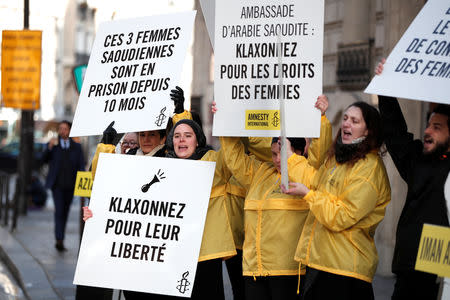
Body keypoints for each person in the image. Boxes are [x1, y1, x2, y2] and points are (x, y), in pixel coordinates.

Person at [217, 96, 331, 300]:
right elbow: (234, 158)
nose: (278, 159)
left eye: (282, 153)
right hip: (254, 270)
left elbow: (319, 154)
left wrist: (321, 118)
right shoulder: (260, 172)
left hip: (288, 273)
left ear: (299, 150)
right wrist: (224, 120)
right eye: (274, 154)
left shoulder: (308, 174)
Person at [283, 101, 391, 299]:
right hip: (323, 263)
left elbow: (343, 215)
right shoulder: (339, 159)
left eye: (355, 121)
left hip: (344, 271)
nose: (346, 124)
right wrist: (289, 157)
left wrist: (308, 195)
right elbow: (315, 181)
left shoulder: (369, 168)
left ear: (368, 131)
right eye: (345, 118)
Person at [375, 59, 450, 300]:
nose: (427, 131)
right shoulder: (418, 160)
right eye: (428, 125)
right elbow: (395, 132)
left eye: (437, 127)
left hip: (439, 265)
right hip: (409, 264)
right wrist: (385, 89)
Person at [42, 120, 85, 251]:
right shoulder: (53, 146)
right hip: (57, 186)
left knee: (65, 212)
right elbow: (43, 159)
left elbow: (81, 166)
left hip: (71, 186)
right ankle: (59, 239)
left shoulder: (77, 147)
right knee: (59, 211)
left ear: (70, 131)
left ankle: (61, 238)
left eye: (65, 129)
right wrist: (48, 148)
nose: (62, 131)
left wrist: (81, 184)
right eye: (60, 128)